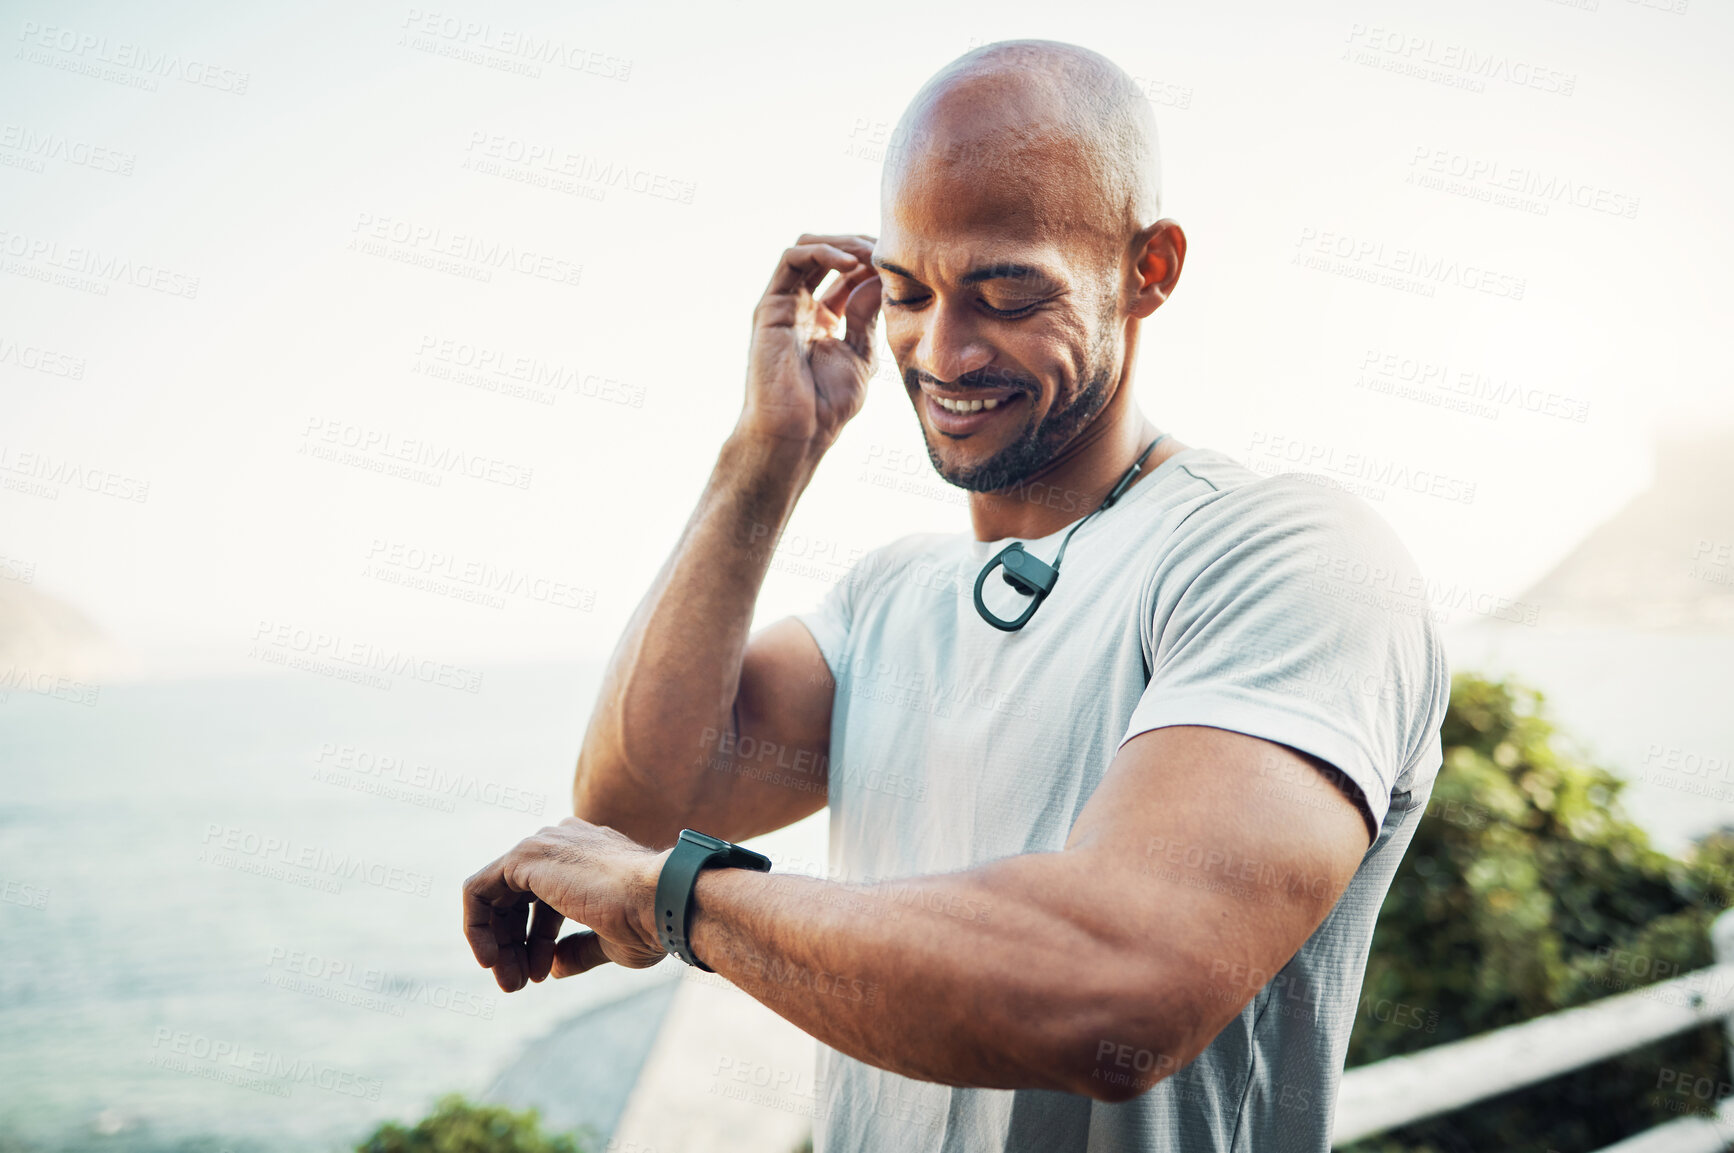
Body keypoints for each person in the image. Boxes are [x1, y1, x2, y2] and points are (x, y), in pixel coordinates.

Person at [463, 37, 1451, 1153]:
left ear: (1150, 270)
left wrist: (671, 899)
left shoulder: (1287, 554)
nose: (943, 350)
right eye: (907, 292)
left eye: (1007, 291)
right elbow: (635, 810)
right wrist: (769, 451)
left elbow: (1112, 997)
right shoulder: (889, 599)